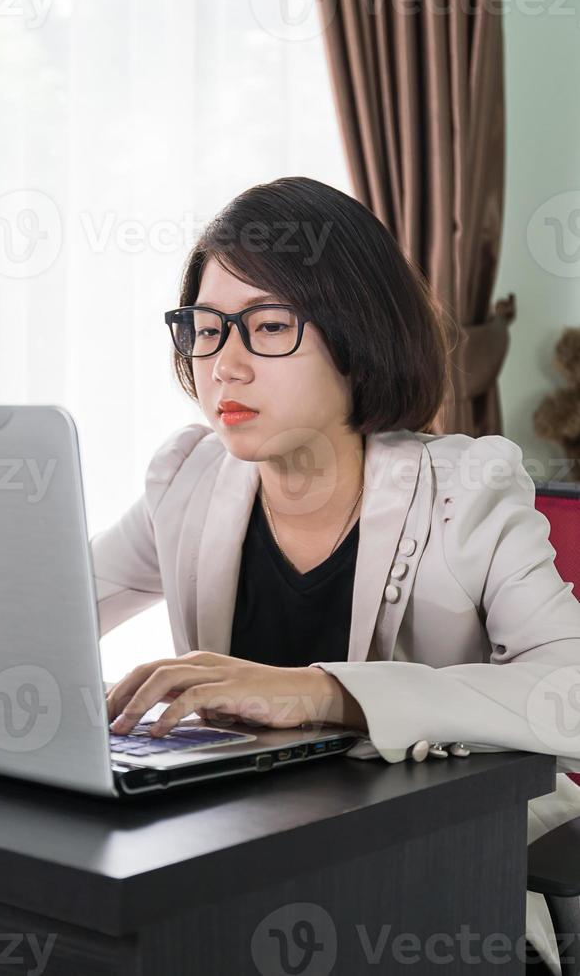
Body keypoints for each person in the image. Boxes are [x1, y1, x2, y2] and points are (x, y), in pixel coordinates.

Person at [91, 176, 580, 975]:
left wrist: (328, 692)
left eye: (269, 326)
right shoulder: (188, 479)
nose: (226, 366)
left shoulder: (466, 490)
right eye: (206, 330)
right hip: (231, 864)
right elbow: (43, 612)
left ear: (356, 335)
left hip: (425, 886)